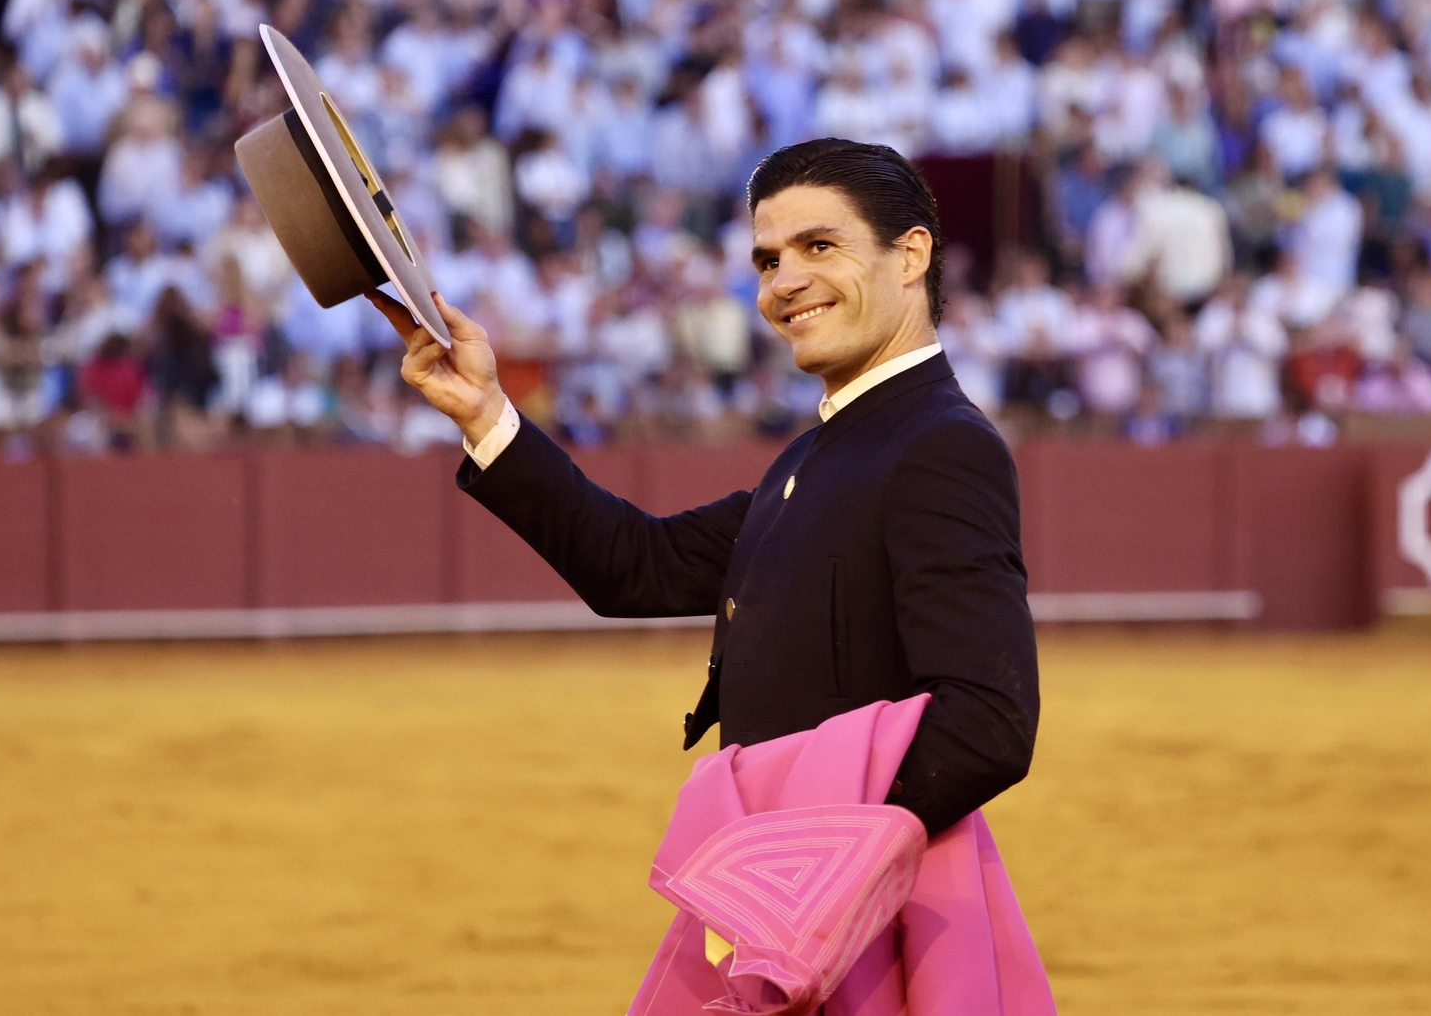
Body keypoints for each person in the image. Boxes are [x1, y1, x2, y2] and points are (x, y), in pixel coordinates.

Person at [372, 138, 1038, 841]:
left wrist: (816, 859)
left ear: (909, 256)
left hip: (844, 898)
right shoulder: (814, 456)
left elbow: (988, 725)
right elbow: (635, 567)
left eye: (818, 246)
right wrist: (484, 412)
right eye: (769, 260)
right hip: (785, 888)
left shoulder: (940, 446)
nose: (783, 282)